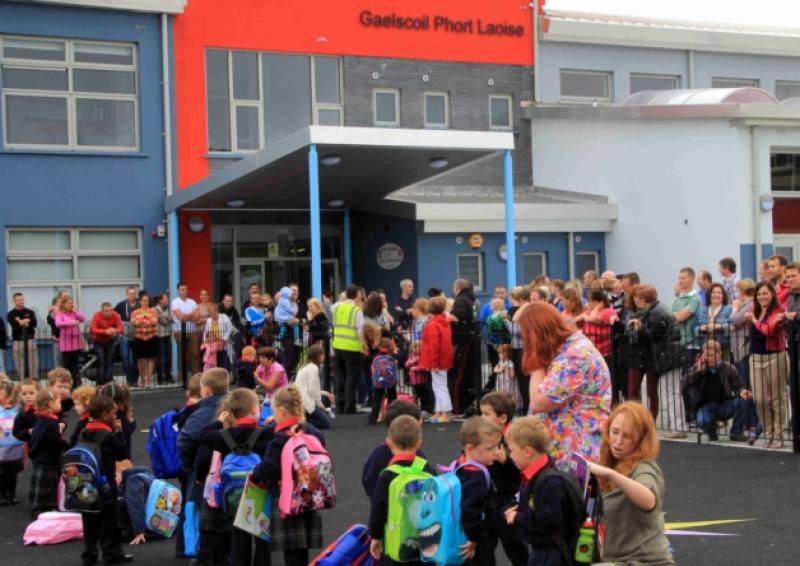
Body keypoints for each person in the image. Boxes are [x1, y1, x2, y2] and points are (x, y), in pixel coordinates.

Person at [520, 302, 611, 470]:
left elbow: (539, 403)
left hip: (574, 452)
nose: (524, 342)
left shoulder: (575, 357)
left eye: (526, 337)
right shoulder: (568, 350)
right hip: (565, 447)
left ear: (537, 333)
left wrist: (536, 357)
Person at [588, 402, 674, 566]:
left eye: (627, 436)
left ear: (640, 440)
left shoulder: (645, 468)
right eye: (615, 432)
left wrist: (610, 474)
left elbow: (649, 500)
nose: (618, 441)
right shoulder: (613, 461)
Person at [250, 385, 326, 566]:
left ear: (282, 412)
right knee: (302, 549)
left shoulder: (280, 439)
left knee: (291, 551)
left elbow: (269, 468)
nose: (273, 415)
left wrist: (255, 473)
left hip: (287, 498)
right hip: (309, 494)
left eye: (274, 411)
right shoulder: (312, 431)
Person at [197, 388, 273, 566]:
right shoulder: (265, 435)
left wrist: (218, 422)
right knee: (263, 539)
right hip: (259, 491)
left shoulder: (224, 436)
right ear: (255, 411)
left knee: (238, 539)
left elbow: (203, 435)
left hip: (234, 495)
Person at [503, 415, 577, 566]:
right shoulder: (536, 473)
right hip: (541, 551)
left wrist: (517, 518)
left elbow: (547, 521)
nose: (510, 456)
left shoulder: (549, 482)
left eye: (511, 451)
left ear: (527, 451)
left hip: (550, 555)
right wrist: (512, 508)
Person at [368, 414, 437, 565]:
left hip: (397, 541)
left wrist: (376, 536)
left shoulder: (388, 474)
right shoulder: (427, 469)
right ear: (419, 444)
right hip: (426, 538)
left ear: (389, 443)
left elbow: (378, 508)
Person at [177, 368, 229, 566]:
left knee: (205, 513)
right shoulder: (232, 405)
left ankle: (204, 553)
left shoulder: (203, 412)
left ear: (205, 390)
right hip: (232, 466)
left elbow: (185, 440)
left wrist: (189, 464)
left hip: (205, 468)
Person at [78, 394, 133, 566]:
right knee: (109, 522)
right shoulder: (107, 436)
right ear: (104, 415)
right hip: (105, 484)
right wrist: (118, 433)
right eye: (113, 413)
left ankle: (90, 554)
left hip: (85, 483)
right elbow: (122, 454)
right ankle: (112, 554)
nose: (115, 416)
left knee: (89, 521)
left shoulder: (84, 432)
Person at [479, 392, 528, 566]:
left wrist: (504, 460)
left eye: (486, 414)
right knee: (486, 544)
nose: (482, 418)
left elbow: (522, 468)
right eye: (481, 413)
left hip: (509, 499)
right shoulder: (485, 436)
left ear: (502, 418)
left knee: (513, 544)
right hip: (490, 498)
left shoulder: (513, 439)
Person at [624, 285, 679, 421]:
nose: (636, 300)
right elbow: (628, 331)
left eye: (639, 297)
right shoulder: (632, 312)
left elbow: (654, 334)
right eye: (635, 297)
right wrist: (634, 328)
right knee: (633, 390)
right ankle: (636, 419)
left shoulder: (656, 311)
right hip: (635, 355)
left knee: (651, 391)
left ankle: (651, 421)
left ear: (645, 299)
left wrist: (640, 328)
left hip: (651, 355)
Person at [746, 281, 788, 448]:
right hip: (756, 357)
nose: (762, 297)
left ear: (772, 294)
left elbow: (769, 330)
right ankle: (768, 432)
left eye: (765, 293)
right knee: (760, 399)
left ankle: (778, 435)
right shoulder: (755, 310)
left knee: (778, 398)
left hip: (775, 356)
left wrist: (754, 320)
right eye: (759, 294)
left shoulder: (778, 311)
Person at [683, 340, 751, 442]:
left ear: (720, 354)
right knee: (702, 420)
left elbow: (739, 386)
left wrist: (742, 391)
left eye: (712, 355)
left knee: (743, 400)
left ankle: (736, 432)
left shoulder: (728, 368)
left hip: (725, 404)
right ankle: (712, 431)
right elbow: (684, 383)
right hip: (706, 406)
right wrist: (698, 371)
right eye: (706, 355)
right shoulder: (699, 367)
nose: (709, 358)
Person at [454, 417, 500, 565]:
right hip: (478, 538)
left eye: (497, 447)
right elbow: (470, 510)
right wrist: (474, 539)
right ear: (469, 448)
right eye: (490, 448)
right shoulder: (477, 477)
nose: (496, 452)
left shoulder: (460, 463)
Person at [361, 400, 425, 499]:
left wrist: (378, 498)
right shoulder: (419, 456)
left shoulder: (379, 453)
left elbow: (369, 480)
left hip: (384, 507)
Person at [666, 267, 702, 438]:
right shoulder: (679, 299)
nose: (680, 280)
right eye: (679, 277)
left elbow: (681, 316)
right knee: (681, 385)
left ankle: (694, 417)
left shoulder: (695, 299)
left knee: (690, 383)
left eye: (683, 278)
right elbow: (674, 315)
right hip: (677, 345)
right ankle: (685, 419)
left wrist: (672, 316)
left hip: (690, 345)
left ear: (691, 279)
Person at [28, 389, 68, 517]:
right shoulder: (50, 423)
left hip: (41, 457)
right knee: (47, 484)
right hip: (48, 458)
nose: (60, 403)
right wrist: (67, 446)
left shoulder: (42, 419)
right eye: (57, 401)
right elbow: (56, 440)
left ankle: (38, 506)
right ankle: (40, 508)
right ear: (50, 404)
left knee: (40, 483)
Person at [419, 295, 454, 424]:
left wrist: (433, 362)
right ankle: (439, 411)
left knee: (440, 385)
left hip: (437, 360)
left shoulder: (433, 324)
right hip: (444, 357)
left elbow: (433, 345)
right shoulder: (444, 321)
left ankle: (444, 412)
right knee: (438, 385)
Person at [332, 285, 365, 414]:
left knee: (340, 376)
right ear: (357, 294)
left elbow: (334, 323)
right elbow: (359, 330)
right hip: (352, 347)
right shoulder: (356, 310)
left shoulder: (336, 307)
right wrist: (363, 346)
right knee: (352, 377)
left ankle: (340, 405)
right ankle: (350, 406)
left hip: (337, 345)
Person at [449, 279, 479, 416]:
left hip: (463, 340)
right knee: (468, 374)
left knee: (458, 375)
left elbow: (459, 316)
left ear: (457, 288)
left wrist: (447, 316)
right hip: (472, 340)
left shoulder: (461, 300)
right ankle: (467, 403)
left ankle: (457, 407)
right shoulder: (474, 300)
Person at [294, 344, 334, 429]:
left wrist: (325, 393)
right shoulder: (313, 368)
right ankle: (302, 423)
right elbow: (312, 390)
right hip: (306, 402)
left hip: (302, 399)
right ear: (318, 356)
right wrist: (320, 404)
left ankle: (303, 420)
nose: (324, 357)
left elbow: (312, 388)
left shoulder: (306, 367)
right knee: (326, 423)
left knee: (325, 418)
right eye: (322, 355)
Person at [98, 383, 137, 460]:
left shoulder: (105, 418)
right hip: (125, 461)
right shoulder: (126, 417)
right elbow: (132, 426)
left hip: (112, 464)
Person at [0, 380, 23, 506]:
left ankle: (12, 495)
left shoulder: (17, 410)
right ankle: (2, 495)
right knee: (1, 473)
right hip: (1, 448)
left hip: (15, 447)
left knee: (13, 474)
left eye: (1, 393)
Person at [55, 295, 85, 389]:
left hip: (76, 344)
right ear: (64, 304)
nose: (71, 305)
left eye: (72, 303)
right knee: (66, 367)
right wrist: (71, 322)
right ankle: (67, 385)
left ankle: (75, 384)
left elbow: (82, 319)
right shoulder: (60, 314)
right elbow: (58, 323)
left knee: (75, 367)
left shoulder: (73, 313)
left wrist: (75, 311)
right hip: (66, 345)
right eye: (69, 303)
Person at [368, 336, 399, 425]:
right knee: (392, 399)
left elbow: (372, 369)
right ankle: (392, 418)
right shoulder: (392, 357)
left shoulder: (375, 357)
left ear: (379, 347)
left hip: (378, 382)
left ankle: (373, 419)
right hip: (390, 381)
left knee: (376, 400)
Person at [90, 302, 123, 386]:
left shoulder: (115, 315)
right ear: (102, 311)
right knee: (101, 361)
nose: (109, 312)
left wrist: (114, 331)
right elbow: (93, 329)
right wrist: (106, 331)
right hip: (98, 341)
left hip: (110, 341)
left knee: (109, 361)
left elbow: (120, 328)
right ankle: (100, 384)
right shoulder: (97, 316)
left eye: (110, 310)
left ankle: (108, 382)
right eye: (106, 311)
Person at [172, 282, 199, 380]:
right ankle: (181, 377)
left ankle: (196, 377)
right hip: (180, 331)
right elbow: (180, 317)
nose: (184, 291)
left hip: (192, 330)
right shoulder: (175, 302)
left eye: (186, 289)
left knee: (195, 353)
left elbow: (197, 317)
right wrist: (191, 315)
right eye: (182, 289)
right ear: (178, 291)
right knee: (181, 354)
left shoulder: (192, 301)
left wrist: (186, 316)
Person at [694, 282, 732, 352]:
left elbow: (732, 327)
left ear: (723, 295)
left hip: (723, 347)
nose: (716, 295)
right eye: (713, 292)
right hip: (704, 347)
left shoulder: (729, 309)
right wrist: (701, 328)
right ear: (709, 294)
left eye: (719, 293)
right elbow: (695, 328)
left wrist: (718, 326)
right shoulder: (701, 310)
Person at [114, 287, 140, 386]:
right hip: (124, 334)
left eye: (133, 293)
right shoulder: (121, 305)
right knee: (125, 357)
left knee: (135, 358)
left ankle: (135, 379)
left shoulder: (139, 305)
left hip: (137, 334)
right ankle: (129, 379)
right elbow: (113, 315)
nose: (132, 295)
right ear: (126, 294)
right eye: (130, 293)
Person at [8, 293, 38, 379]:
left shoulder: (30, 312)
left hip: (30, 340)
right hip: (17, 341)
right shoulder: (11, 314)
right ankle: (23, 382)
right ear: (14, 301)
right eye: (18, 300)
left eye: (22, 299)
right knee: (20, 364)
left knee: (33, 363)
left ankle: (34, 382)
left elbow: (34, 323)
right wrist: (25, 321)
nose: (21, 301)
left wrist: (21, 321)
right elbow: (14, 324)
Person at [131, 294, 158, 388]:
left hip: (151, 337)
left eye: (147, 300)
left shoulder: (153, 311)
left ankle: (149, 379)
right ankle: (142, 378)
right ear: (140, 302)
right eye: (143, 300)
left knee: (151, 358)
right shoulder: (135, 312)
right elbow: (134, 323)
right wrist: (146, 320)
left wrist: (142, 320)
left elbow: (155, 321)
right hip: (139, 337)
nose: (145, 302)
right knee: (141, 359)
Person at [306, 298, 330, 391]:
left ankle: (320, 386)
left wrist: (310, 320)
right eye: (309, 306)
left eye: (311, 306)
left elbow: (316, 329)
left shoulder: (320, 316)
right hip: (315, 343)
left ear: (317, 306)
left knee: (318, 365)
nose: (310, 308)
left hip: (319, 343)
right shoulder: (316, 316)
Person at [201, 303, 234, 371]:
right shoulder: (209, 320)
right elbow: (206, 332)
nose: (213, 315)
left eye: (214, 313)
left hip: (223, 343)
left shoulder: (224, 317)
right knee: (215, 363)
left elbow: (230, 328)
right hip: (213, 346)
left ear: (217, 311)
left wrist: (224, 339)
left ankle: (227, 375)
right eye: (211, 314)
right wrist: (205, 341)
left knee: (225, 362)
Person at [493, 344, 522, 409]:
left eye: (502, 353)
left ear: (508, 354)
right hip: (501, 383)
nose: (500, 355)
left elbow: (512, 375)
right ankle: (504, 407)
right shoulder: (500, 362)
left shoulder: (510, 363)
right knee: (501, 395)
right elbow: (495, 370)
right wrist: (500, 370)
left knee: (511, 395)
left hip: (509, 383)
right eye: (499, 353)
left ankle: (514, 407)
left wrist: (506, 369)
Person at [154, 293, 173, 385]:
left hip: (167, 335)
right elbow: (164, 322)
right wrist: (168, 319)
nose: (167, 300)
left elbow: (171, 319)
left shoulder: (168, 309)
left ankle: (168, 376)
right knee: (161, 358)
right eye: (165, 298)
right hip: (159, 336)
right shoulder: (155, 310)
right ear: (160, 300)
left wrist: (168, 319)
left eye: (167, 298)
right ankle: (160, 378)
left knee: (168, 357)